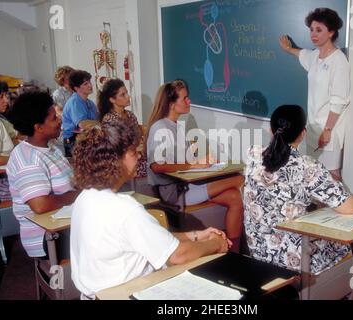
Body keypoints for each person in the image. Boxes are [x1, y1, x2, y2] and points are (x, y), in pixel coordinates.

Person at [70, 118, 230, 299]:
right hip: (127, 293)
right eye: (132, 152)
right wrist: (216, 244)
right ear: (114, 161)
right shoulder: (125, 209)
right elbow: (178, 256)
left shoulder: (85, 197)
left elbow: (147, 239)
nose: (139, 156)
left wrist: (197, 235)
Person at [244, 104, 353, 275]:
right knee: (342, 245)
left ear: (270, 129)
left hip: (258, 250)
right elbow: (350, 207)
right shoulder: (307, 167)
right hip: (293, 260)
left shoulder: (253, 154)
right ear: (303, 133)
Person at [146, 80, 244, 252]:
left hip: (187, 185)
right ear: (171, 104)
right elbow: (157, 167)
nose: (189, 101)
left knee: (234, 197)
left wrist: (203, 162)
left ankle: (233, 251)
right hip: (173, 192)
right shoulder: (159, 128)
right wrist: (193, 165)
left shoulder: (177, 126)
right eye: (185, 99)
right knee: (239, 179)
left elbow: (183, 161)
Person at [6, 91, 79, 257]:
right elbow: (40, 205)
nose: (59, 119)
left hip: (64, 226)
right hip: (47, 237)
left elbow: (70, 182)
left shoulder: (50, 148)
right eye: (54, 118)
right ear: (38, 127)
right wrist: (79, 195)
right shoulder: (27, 159)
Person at [280, 7, 350, 181]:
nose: (313, 34)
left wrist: (327, 130)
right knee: (313, 174)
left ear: (332, 32)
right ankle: (319, 208)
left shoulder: (338, 60)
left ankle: (344, 207)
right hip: (313, 128)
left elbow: (339, 100)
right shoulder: (314, 56)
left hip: (329, 130)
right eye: (311, 29)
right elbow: (301, 54)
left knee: (332, 175)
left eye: (319, 30)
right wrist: (289, 49)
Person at [98, 78, 147, 178]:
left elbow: (138, 137)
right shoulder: (110, 120)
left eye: (127, 93)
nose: (128, 97)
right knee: (155, 167)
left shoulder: (130, 115)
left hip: (136, 154)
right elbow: (117, 149)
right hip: (123, 161)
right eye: (122, 95)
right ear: (112, 100)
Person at [62, 70, 99, 157]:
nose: (90, 85)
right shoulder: (74, 102)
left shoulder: (90, 103)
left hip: (86, 138)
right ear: (76, 88)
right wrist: (101, 123)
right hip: (72, 140)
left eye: (89, 82)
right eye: (85, 84)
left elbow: (97, 119)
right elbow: (83, 124)